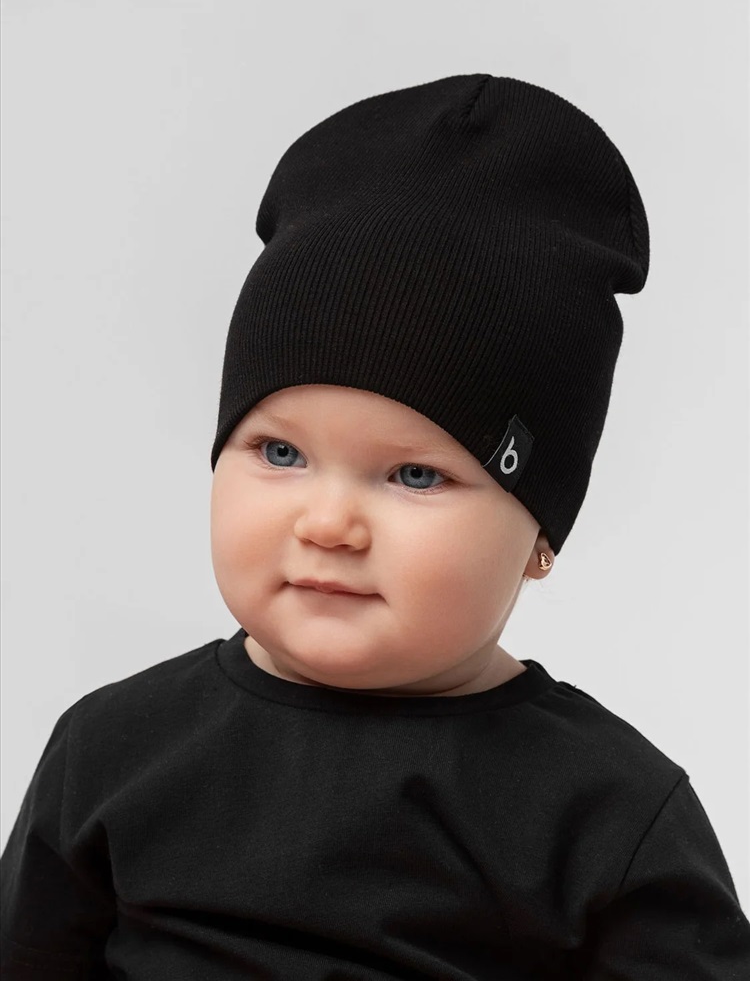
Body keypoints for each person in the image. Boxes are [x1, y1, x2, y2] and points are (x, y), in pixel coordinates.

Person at [2, 73, 749, 980]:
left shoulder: (609, 818)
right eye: (280, 453)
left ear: (540, 535)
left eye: (415, 475)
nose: (329, 523)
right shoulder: (111, 750)